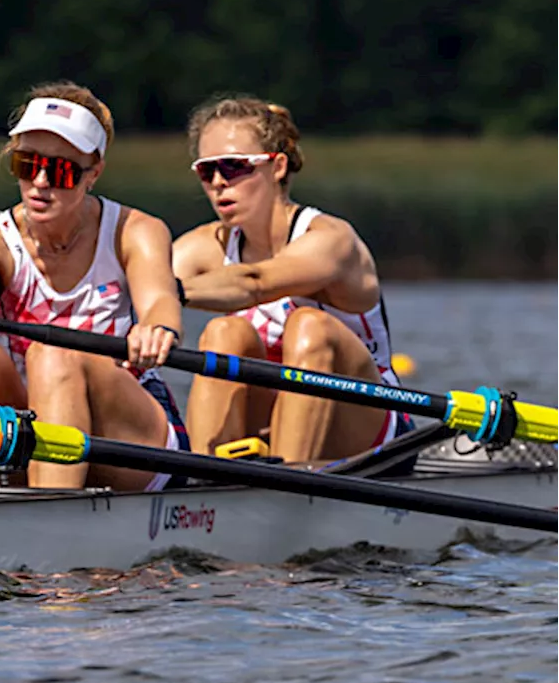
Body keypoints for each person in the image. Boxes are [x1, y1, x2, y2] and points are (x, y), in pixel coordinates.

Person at [0, 81, 189, 492]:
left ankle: (49, 506)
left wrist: (158, 329)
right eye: (27, 165)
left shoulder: (136, 231)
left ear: (94, 173)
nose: (40, 182)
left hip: (130, 438)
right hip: (34, 427)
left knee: (55, 353)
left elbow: (160, 300)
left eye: (60, 171)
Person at [172, 95, 413, 462]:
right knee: (224, 335)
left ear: (278, 166)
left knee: (309, 327)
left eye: (235, 167)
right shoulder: (203, 246)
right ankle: (206, 486)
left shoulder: (331, 239)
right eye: (207, 171)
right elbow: (133, 284)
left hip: (369, 427)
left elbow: (254, 281)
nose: (219, 182)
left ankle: (287, 484)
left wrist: (168, 292)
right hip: (273, 419)